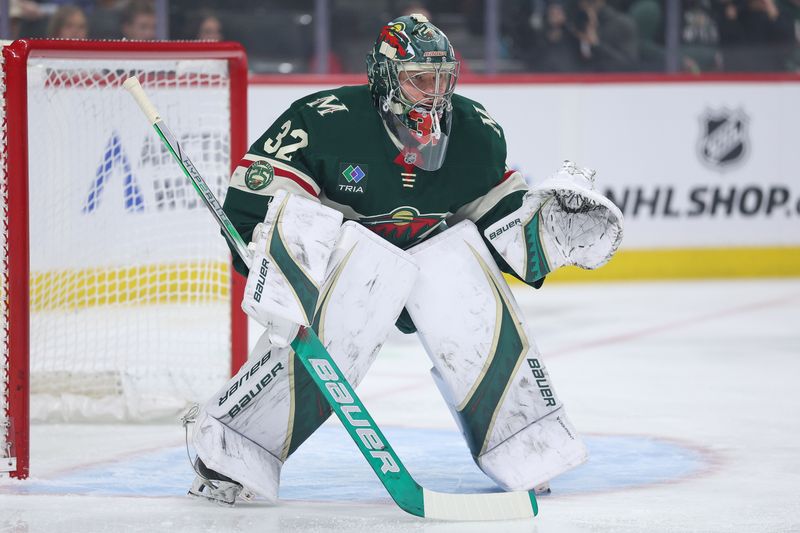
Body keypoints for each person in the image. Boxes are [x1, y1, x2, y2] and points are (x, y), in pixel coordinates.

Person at [186, 13, 623, 505]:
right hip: (341, 273)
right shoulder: (323, 122)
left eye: (443, 78)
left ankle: (524, 443)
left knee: (459, 268)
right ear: (385, 77)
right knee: (362, 269)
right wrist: (287, 268)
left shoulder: (474, 132)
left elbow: (498, 225)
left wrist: (547, 227)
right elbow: (256, 203)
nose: (435, 92)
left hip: (420, 268)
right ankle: (233, 448)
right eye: (420, 78)